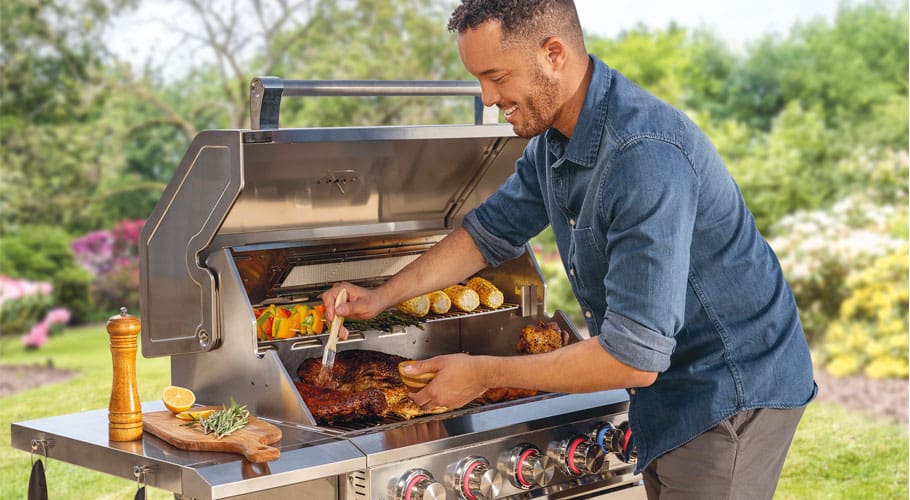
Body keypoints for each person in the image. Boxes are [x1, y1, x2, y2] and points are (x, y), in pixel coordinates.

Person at [321, 1, 816, 497]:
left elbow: (632, 359)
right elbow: (487, 233)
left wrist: (483, 375)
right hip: (668, 380)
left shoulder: (643, 157)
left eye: (496, 76)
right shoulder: (555, 140)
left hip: (729, 388)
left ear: (553, 54)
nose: (488, 98)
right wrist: (379, 297)